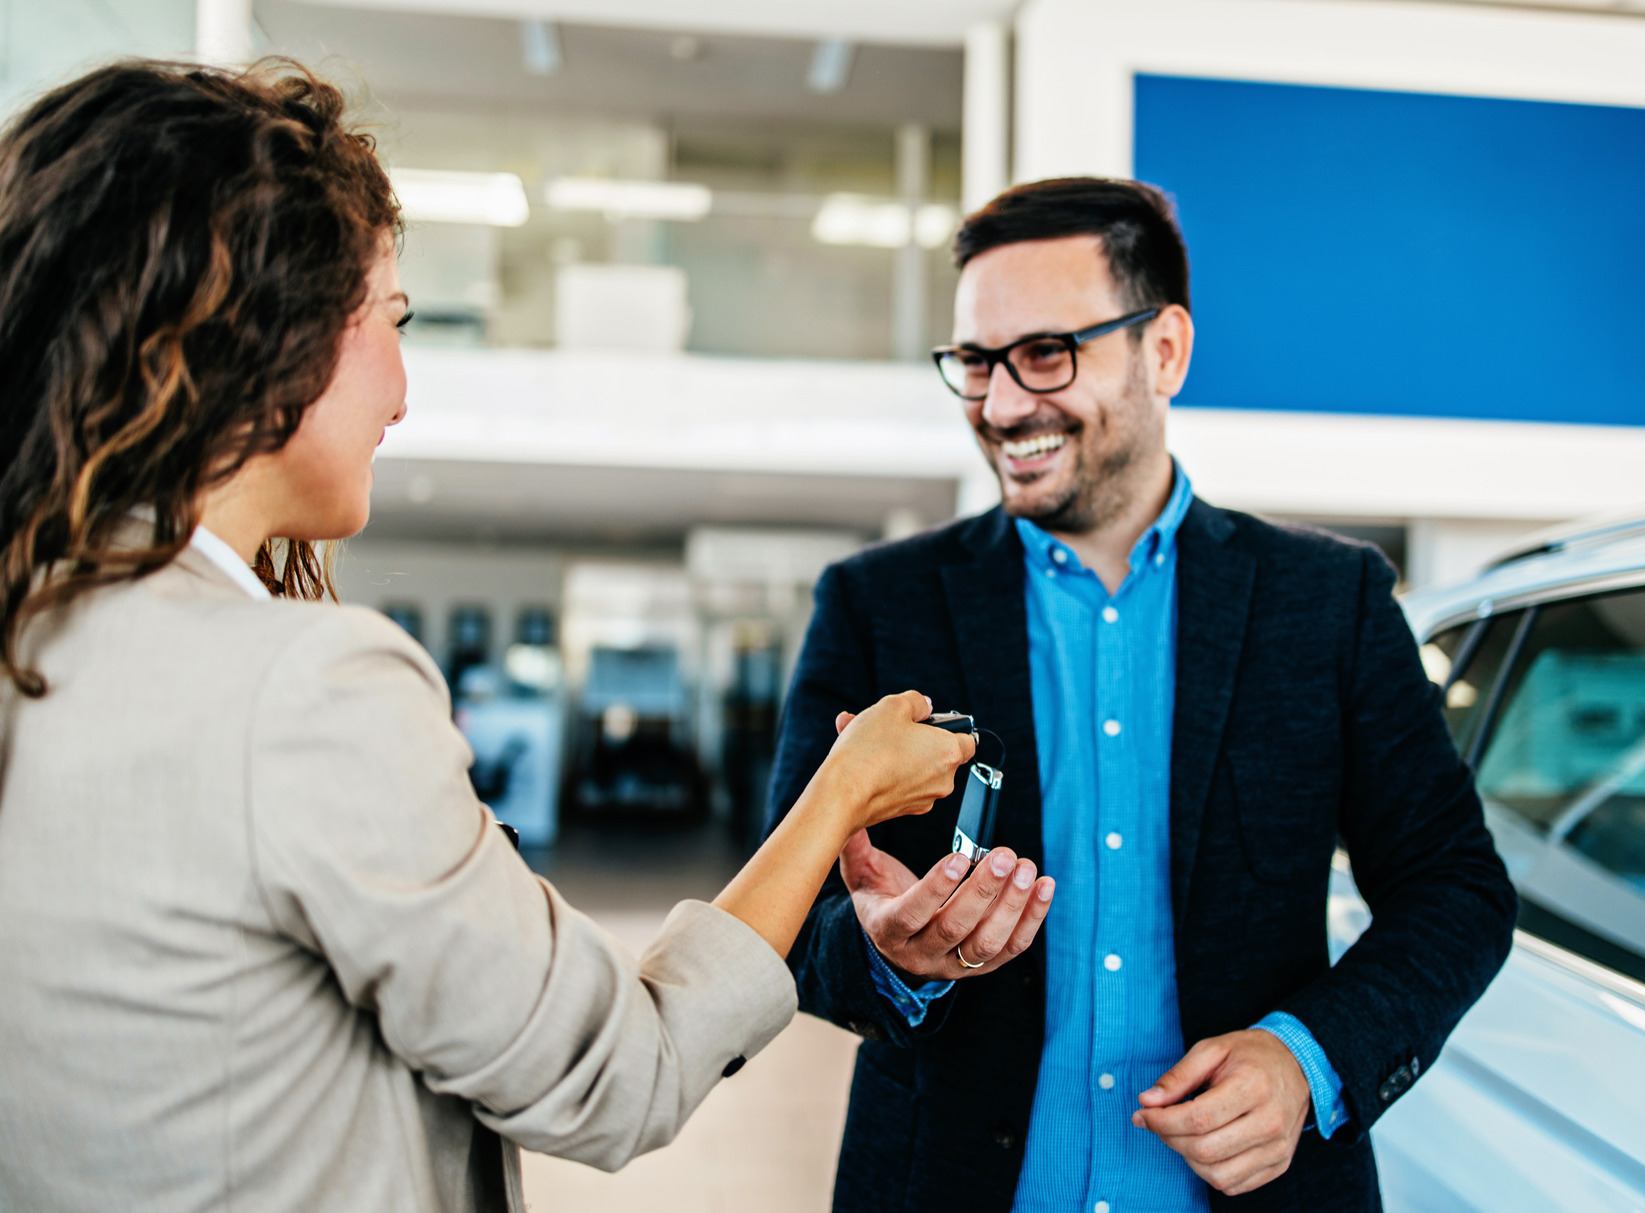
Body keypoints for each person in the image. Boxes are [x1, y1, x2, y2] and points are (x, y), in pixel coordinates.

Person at [0, 61, 975, 1213]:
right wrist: (838, 796)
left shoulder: (44, 641)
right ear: (264, 328)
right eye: (390, 323)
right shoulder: (301, 689)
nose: (402, 393)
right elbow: (624, 1074)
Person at [766, 178, 1518, 1211]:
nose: (999, 405)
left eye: (1044, 354)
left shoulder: (1326, 601)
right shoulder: (875, 605)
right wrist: (887, 954)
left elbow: (1453, 889)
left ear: (1162, 350)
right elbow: (795, 922)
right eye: (976, 364)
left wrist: (1307, 1059)